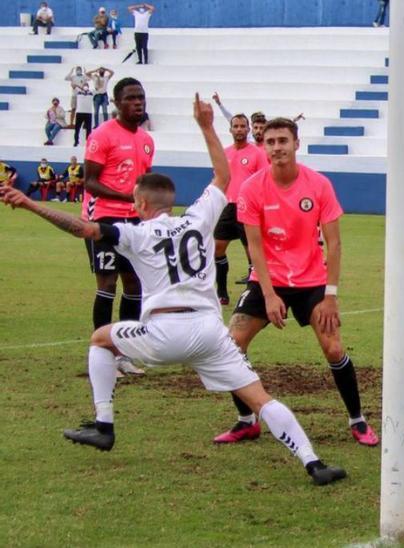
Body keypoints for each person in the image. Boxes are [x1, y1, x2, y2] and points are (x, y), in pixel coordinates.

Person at [0, 96, 348, 486]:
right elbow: (223, 176)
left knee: (100, 340)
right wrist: (206, 126)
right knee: (260, 398)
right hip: (209, 333)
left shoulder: (135, 232)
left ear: (140, 202)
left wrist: (30, 204)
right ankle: (314, 463)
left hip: (162, 334)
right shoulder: (198, 218)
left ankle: (104, 424)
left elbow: (84, 228)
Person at [215, 117, 378, 447]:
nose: (277, 147)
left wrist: (330, 296)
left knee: (333, 348)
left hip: (312, 281)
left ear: (296, 144)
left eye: (283, 141)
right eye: (271, 142)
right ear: (264, 147)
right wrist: (268, 294)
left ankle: (357, 420)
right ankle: (246, 421)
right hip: (268, 280)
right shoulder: (252, 188)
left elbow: (334, 244)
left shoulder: (318, 185)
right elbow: (254, 247)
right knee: (231, 345)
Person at [82, 78, 153, 379]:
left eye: (141, 98)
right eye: (131, 98)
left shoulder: (146, 140)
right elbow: (90, 181)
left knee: (134, 284)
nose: (138, 103)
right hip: (104, 219)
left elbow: (144, 180)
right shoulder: (102, 135)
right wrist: (127, 197)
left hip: (135, 221)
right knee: (107, 284)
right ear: (116, 102)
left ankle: (124, 354)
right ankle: (103, 354)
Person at [213, 113, 268, 305]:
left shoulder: (257, 153)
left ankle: (253, 292)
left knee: (252, 251)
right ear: (230, 129)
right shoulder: (225, 153)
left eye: (242, 126)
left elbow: (264, 181)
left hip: (248, 207)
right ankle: (221, 291)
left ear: (248, 129)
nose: (239, 129)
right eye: (235, 126)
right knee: (217, 248)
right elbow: (218, 178)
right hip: (228, 206)